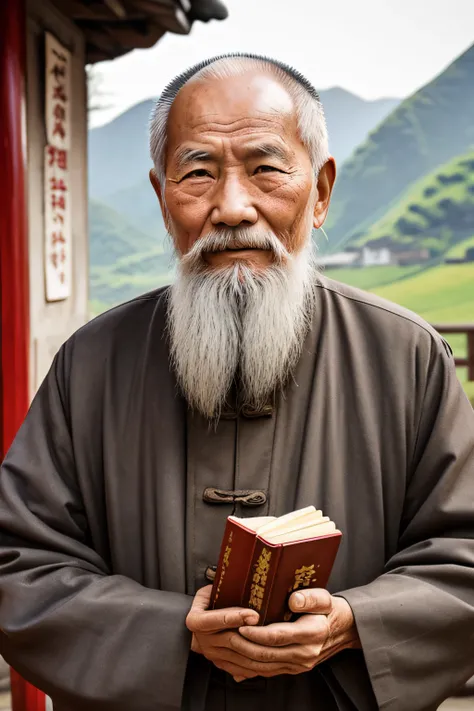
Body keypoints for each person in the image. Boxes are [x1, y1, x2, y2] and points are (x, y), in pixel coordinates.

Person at [1, 53, 473, 711]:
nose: (231, 207)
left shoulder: (405, 356)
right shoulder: (93, 364)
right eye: (197, 172)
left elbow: (463, 554)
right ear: (162, 198)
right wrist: (175, 634)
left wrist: (355, 621)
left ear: (321, 191)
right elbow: (19, 565)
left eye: (266, 169)